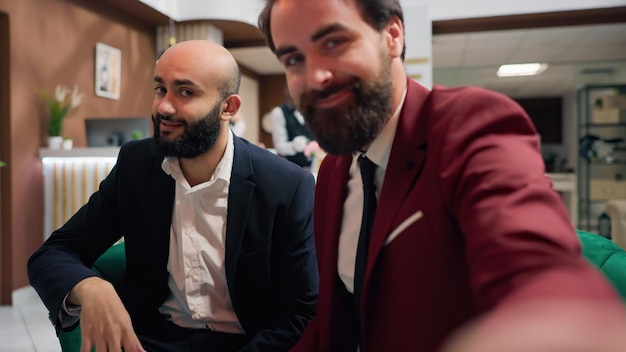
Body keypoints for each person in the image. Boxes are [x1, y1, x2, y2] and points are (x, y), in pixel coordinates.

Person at [258, 1, 626, 351]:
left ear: (393, 36)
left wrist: (558, 321)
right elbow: (330, 321)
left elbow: (532, 265)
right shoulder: (333, 170)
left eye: (334, 42)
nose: (316, 76)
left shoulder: (468, 127)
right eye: (293, 58)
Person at [28, 40, 318, 352]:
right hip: (153, 341)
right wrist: (91, 287)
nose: (164, 107)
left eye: (185, 92)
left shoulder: (287, 185)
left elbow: (297, 310)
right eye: (160, 89)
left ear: (228, 108)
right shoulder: (136, 166)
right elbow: (53, 253)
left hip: (248, 343)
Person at [270, 86, 316, 168]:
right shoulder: (279, 112)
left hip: (313, 165)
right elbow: (280, 147)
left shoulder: (312, 110)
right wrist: (294, 146)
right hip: (291, 167)